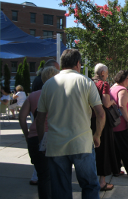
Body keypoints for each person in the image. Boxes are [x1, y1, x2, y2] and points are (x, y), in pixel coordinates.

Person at [36, 49, 106, 199]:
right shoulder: (86, 81)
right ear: (78, 64)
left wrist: (42, 142)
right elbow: (101, 114)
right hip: (82, 143)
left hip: (56, 145)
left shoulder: (48, 84)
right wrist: (97, 135)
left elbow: (40, 118)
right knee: (90, 185)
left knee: (60, 189)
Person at [19, 66, 60, 199]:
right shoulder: (59, 95)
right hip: (54, 138)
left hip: (34, 138)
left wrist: (27, 135)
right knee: (55, 176)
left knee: (43, 176)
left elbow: (22, 117)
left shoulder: (34, 95)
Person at [91, 63, 122, 191]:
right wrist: (113, 102)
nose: (107, 75)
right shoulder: (104, 84)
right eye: (107, 73)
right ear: (102, 73)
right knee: (103, 150)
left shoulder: (90, 82)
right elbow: (106, 103)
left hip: (89, 120)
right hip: (101, 121)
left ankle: (92, 179)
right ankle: (102, 182)